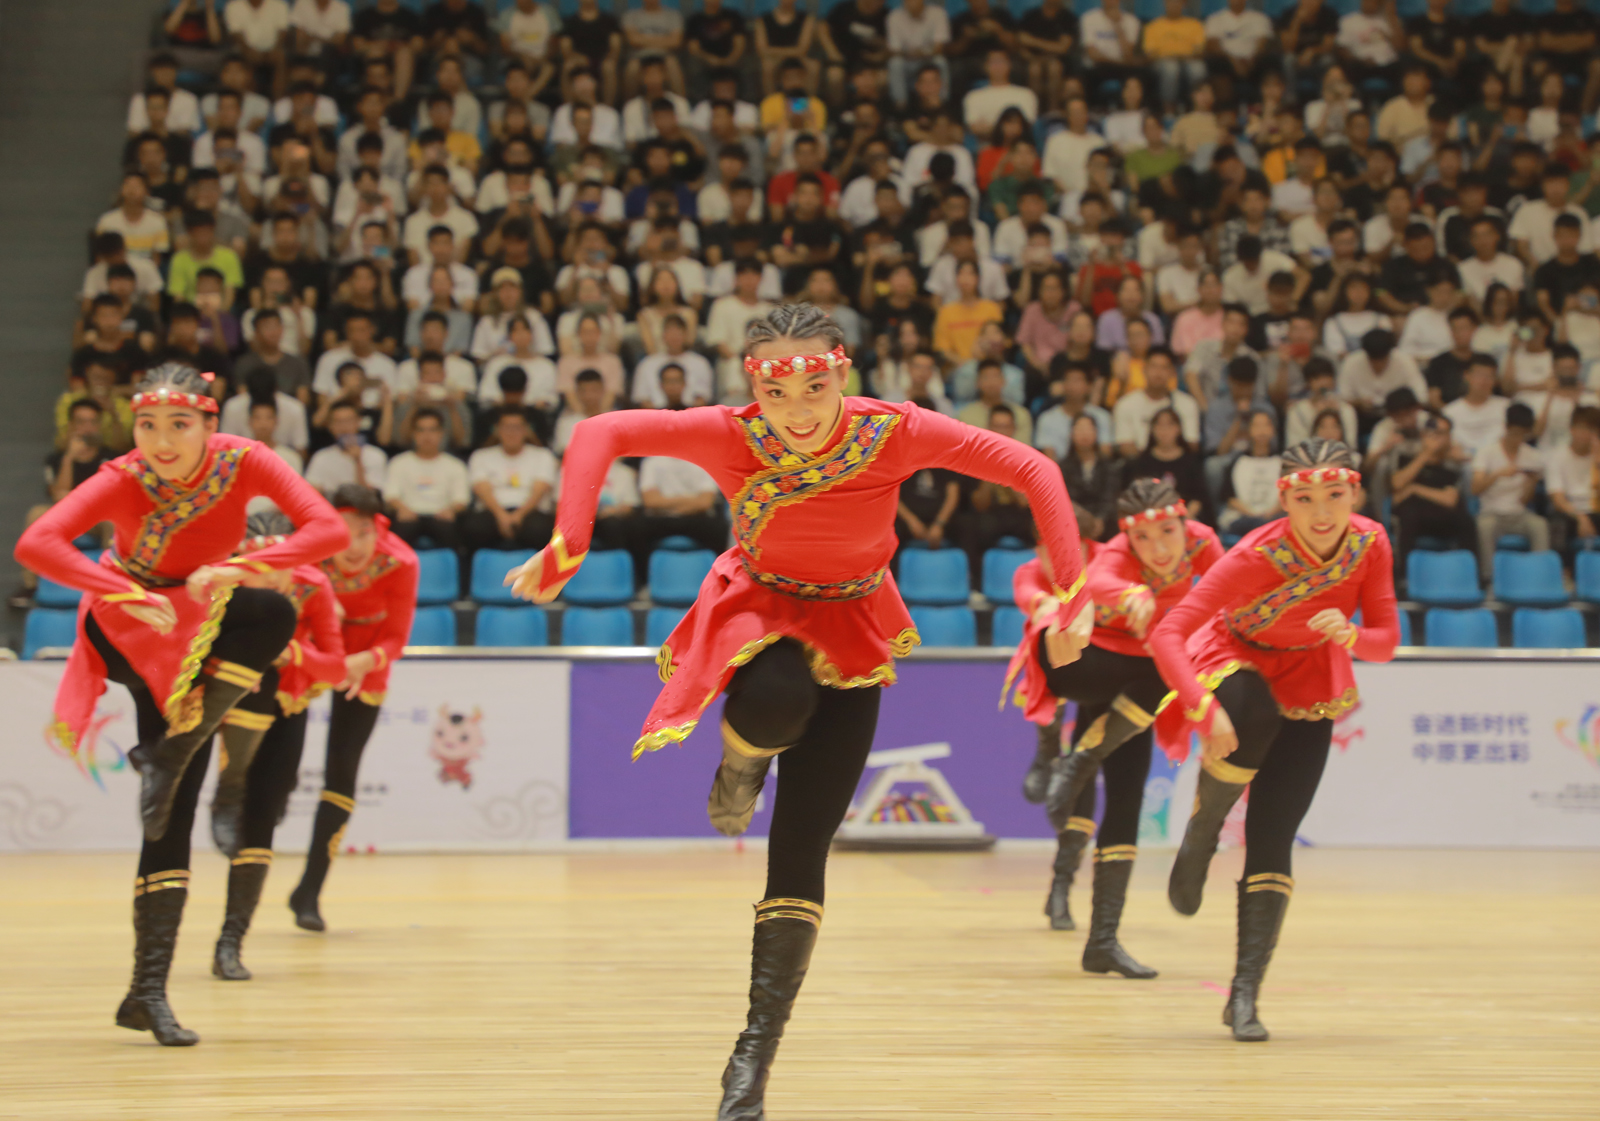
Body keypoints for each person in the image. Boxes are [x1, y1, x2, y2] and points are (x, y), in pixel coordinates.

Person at [502, 304, 1093, 1120]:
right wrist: (570, 541)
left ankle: (753, 1053)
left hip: (853, 620)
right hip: (759, 607)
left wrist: (1070, 589)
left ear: (841, 373)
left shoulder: (897, 430)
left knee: (803, 848)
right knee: (776, 697)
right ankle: (740, 763)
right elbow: (601, 430)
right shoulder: (729, 432)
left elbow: (1034, 469)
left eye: (817, 385)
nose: (801, 409)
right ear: (754, 387)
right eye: (781, 394)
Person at [12, 363, 348, 1046]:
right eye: (147, 425)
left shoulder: (245, 461)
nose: (160, 441)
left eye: (178, 425)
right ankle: (170, 754)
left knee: (265, 622)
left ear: (210, 424)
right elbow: (35, 543)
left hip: (199, 618)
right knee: (172, 792)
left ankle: (145, 990)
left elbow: (327, 531)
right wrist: (123, 592)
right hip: (130, 623)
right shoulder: (123, 476)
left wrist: (245, 566)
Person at [1149, 438, 1399, 1042]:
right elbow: (1168, 633)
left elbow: (1386, 640)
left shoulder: (1370, 544)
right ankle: (1204, 826)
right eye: (1305, 498)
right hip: (1236, 663)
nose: (1321, 513)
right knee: (1250, 708)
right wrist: (1203, 708)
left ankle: (1244, 994)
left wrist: (1350, 636)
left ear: (1354, 494)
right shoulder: (1253, 554)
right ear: (1283, 499)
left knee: (1273, 836)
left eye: (1335, 496)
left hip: (1312, 675)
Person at [1014, 479, 1221, 950]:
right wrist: (1127, 594)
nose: (1156, 548)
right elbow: (1088, 583)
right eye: (1143, 538)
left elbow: (1226, 589)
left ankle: (1103, 939)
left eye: (1167, 532)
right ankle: (1051, 760)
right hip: (1091, 664)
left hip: (1138, 686)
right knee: (1060, 647)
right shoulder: (1108, 556)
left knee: (1123, 798)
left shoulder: (1200, 543)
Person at [208, 511, 348, 980]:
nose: (268, 577)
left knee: (270, 803)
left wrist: (293, 653)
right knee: (257, 817)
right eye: (255, 566)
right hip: (229, 703)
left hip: (289, 707)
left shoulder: (315, 588)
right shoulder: (222, 587)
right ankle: (231, 942)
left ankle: (232, 938)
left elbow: (335, 667)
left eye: (278, 564)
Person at [288, 484, 418, 931]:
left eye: (363, 534)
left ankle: (310, 890)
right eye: (342, 534)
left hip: (367, 657)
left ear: (377, 530)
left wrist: (359, 663)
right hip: (307, 644)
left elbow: (396, 639)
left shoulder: (401, 561)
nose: (352, 547)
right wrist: (318, 657)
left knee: (341, 775)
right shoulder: (309, 549)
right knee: (281, 754)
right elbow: (290, 609)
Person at [1471, 402, 1548, 579]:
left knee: (1540, 525)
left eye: (1523, 435)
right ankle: (1488, 579)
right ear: (1506, 428)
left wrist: (1531, 482)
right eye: (1514, 434)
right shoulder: (1487, 452)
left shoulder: (1532, 455)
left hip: (1518, 513)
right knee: (1484, 526)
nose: (1518, 439)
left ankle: (1540, 577)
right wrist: (1498, 474)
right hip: (1491, 513)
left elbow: (1523, 501)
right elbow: (1475, 489)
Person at [464, 407, 559, 549]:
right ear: (496, 430)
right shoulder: (481, 456)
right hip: (493, 511)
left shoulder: (543, 455)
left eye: (517, 427)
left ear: (527, 430)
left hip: (530, 511)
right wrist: (501, 516)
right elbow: (482, 489)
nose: (511, 432)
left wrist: (518, 515)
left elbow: (539, 490)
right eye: (506, 427)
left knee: (541, 529)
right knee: (473, 527)